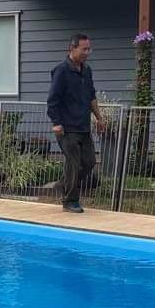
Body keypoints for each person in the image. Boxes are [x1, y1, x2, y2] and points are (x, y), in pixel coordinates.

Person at [47, 33, 105, 213]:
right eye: (84, 49)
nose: (87, 52)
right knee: (74, 162)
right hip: (66, 127)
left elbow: (91, 96)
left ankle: (63, 185)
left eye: (89, 49)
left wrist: (99, 118)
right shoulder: (61, 70)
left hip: (83, 126)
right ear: (72, 48)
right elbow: (53, 100)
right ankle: (70, 200)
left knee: (89, 162)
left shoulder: (87, 70)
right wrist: (56, 123)